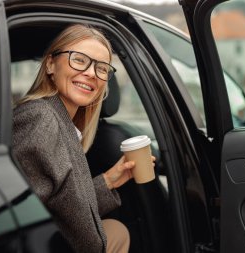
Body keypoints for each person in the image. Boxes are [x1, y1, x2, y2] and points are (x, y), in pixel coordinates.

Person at [12, 24, 151, 253]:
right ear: (50, 64)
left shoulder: (60, 120)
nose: (90, 73)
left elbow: (63, 205)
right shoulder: (40, 119)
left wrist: (110, 180)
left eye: (102, 68)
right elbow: (22, 221)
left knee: (116, 230)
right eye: (79, 60)